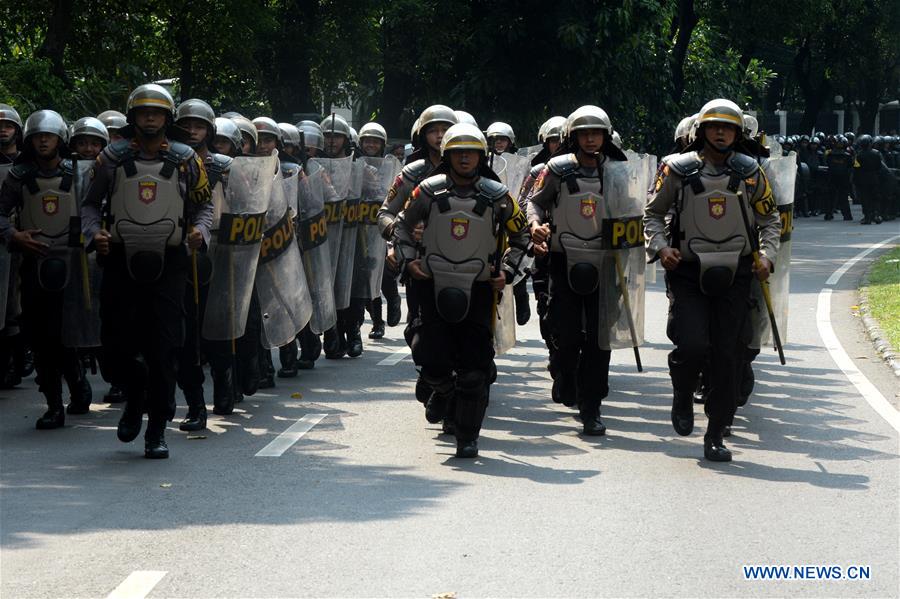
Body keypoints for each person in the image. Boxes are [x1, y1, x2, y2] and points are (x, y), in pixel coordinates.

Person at [644, 98, 780, 462]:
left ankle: (716, 433)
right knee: (691, 345)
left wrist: (768, 255)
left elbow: (769, 220)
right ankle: (682, 393)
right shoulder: (676, 169)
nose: (721, 133)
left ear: (737, 134)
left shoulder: (751, 172)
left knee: (727, 356)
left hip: (736, 273)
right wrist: (661, 247)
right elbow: (652, 214)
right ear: (702, 131)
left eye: (728, 128)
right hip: (688, 272)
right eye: (714, 127)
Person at [82, 83, 213, 459]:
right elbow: (89, 205)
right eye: (144, 112)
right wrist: (95, 234)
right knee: (114, 348)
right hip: (120, 261)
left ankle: (156, 429)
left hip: (169, 265)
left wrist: (200, 232)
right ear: (133, 117)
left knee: (163, 350)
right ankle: (133, 390)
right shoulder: (110, 158)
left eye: (157, 112)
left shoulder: (187, 160)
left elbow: (204, 206)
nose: (150, 118)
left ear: (168, 118)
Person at [396, 123, 528, 457]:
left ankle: (467, 437)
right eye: (458, 152)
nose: (465, 158)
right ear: (448, 156)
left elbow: (521, 235)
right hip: (432, 284)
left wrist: (507, 271)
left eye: (471, 152)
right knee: (429, 357)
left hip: (479, 289)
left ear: (481, 156)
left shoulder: (497, 195)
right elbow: (401, 227)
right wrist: (409, 260)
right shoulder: (426, 191)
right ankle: (444, 391)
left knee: (474, 370)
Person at [527, 105, 630, 436]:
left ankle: (592, 408)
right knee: (566, 334)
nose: (590, 139)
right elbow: (535, 201)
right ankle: (565, 372)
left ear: (605, 136)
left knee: (599, 341)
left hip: (606, 264)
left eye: (596, 133)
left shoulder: (618, 171)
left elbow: (631, 211)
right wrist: (536, 225)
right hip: (563, 260)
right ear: (573, 137)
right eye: (584, 133)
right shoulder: (557, 169)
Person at [0, 110, 93, 428]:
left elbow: (96, 210)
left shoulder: (78, 172)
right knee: (40, 338)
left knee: (67, 334)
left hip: (73, 265)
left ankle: (77, 379)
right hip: (34, 264)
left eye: (49, 136)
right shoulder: (19, 176)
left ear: (60, 139)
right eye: (38, 136)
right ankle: (54, 403)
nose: (43, 141)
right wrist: (14, 236)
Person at [377, 105, 458, 405]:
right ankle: (434, 377)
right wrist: (400, 235)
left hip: (464, 263)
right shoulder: (411, 174)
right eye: (433, 130)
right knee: (420, 333)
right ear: (422, 136)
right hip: (420, 263)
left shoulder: (473, 171)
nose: (439, 135)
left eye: (445, 130)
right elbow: (385, 214)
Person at [357, 122, 402, 339]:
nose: (371, 145)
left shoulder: (390, 166)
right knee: (364, 277)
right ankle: (377, 321)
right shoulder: (354, 163)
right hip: (359, 227)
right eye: (367, 141)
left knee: (383, 275)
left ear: (382, 144)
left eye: (375, 141)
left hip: (382, 226)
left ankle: (393, 299)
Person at [853, 135, 887, 225]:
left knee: (865, 198)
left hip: (862, 179)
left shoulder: (859, 155)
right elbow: (880, 167)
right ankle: (876, 215)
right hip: (874, 178)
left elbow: (856, 168)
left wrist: (855, 180)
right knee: (875, 197)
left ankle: (867, 217)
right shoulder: (877, 153)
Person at [824, 135, 854, 221]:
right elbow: (851, 167)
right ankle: (846, 215)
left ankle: (829, 214)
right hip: (841, 178)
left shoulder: (830, 155)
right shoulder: (847, 155)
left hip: (834, 177)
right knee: (842, 197)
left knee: (832, 197)